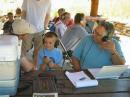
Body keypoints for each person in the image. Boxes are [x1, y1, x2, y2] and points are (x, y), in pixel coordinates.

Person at [21, 0, 51, 68]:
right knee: (25, 49)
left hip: (40, 30)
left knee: (38, 50)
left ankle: (34, 67)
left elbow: (48, 14)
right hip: (28, 29)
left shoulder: (48, 1)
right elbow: (23, 12)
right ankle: (24, 67)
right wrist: (23, 26)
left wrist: (45, 26)